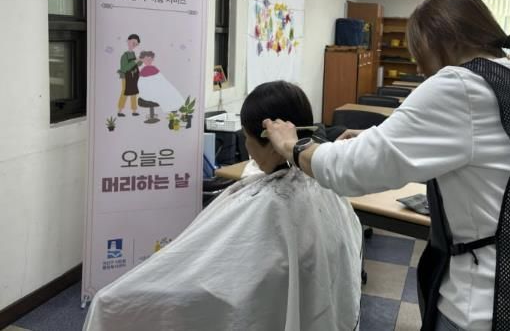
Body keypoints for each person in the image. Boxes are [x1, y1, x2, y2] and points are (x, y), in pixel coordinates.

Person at [264, 0, 510, 331]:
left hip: (484, 307)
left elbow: (350, 170)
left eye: (419, 53)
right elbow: (475, 144)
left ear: (442, 41)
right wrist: (377, 137)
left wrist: (292, 145)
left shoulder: (461, 84)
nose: (418, 68)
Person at [83, 81, 362, 331]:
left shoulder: (272, 205)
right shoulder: (326, 185)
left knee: (111, 301)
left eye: (247, 137)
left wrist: (117, 301)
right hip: (315, 310)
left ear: (270, 141)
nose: (246, 146)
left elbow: (218, 284)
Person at [117, 34, 142, 117]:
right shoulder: (124, 56)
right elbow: (124, 68)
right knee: (124, 92)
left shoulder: (133, 54)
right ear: (128, 41)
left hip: (134, 77)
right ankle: (120, 110)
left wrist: (140, 61)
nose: (134, 45)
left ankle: (134, 110)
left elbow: (136, 65)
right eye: (133, 43)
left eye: (136, 44)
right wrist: (135, 62)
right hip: (126, 77)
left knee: (134, 92)